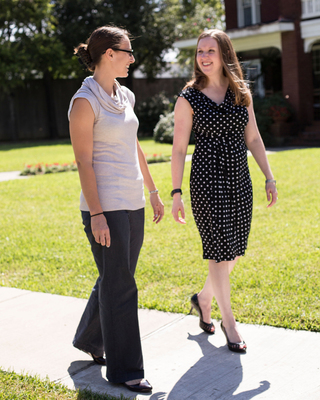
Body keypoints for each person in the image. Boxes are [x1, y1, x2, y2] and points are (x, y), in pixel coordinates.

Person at [68, 25, 164, 393]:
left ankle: (90, 339)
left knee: (116, 276)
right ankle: (126, 370)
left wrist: (153, 190)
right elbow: (83, 162)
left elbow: (133, 144)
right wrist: (96, 214)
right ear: (109, 53)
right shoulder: (84, 102)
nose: (132, 58)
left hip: (132, 200)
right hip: (105, 206)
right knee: (121, 283)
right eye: (128, 51)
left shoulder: (125, 96)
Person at [171, 29, 277, 353]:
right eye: (200, 51)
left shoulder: (240, 92)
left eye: (210, 51)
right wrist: (176, 192)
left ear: (224, 55)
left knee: (235, 251)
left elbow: (254, 138)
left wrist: (269, 177)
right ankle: (229, 324)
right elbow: (177, 150)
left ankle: (204, 299)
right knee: (218, 253)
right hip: (206, 182)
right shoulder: (187, 98)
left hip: (239, 180)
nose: (203, 56)